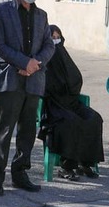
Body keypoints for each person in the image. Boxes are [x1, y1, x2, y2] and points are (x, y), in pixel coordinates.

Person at [0, 0, 55, 195]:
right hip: (10, 79)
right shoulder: (1, 11)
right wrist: (24, 62)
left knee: (27, 131)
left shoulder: (41, 15)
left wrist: (35, 64)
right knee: (4, 130)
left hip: (34, 80)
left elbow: (49, 45)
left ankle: (20, 173)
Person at [39, 25, 104, 180]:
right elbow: (43, 86)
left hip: (71, 103)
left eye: (58, 37)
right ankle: (67, 167)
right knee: (71, 122)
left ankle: (86, 163)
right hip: (53, 105)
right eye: (52, 38)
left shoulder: (64, 56)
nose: (56, 41)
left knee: (94, 118)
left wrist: (68, 87)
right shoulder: (42, 58)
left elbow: (76, 79)